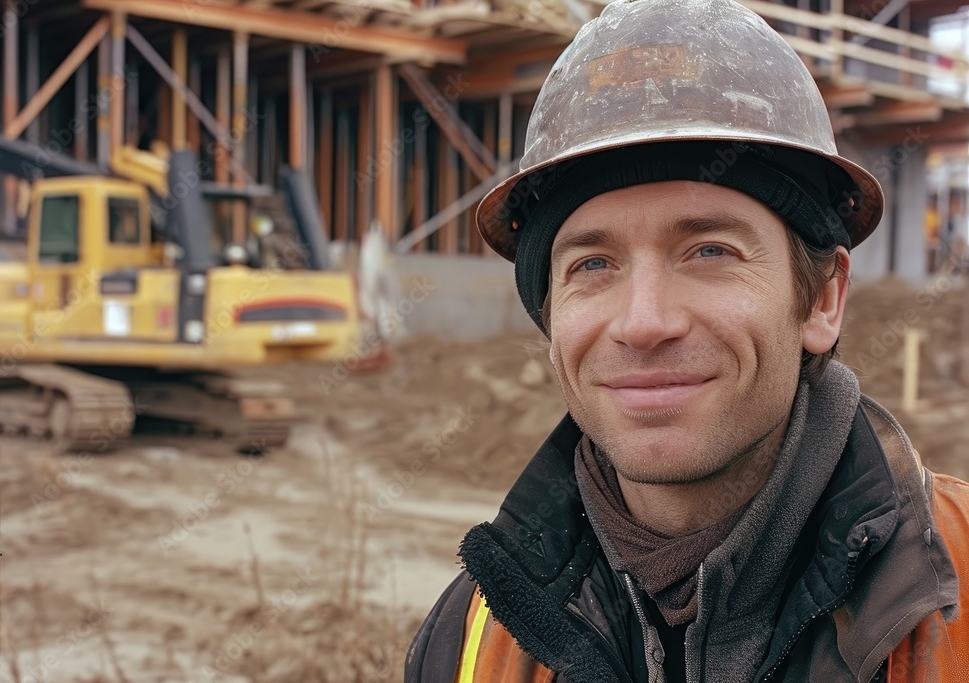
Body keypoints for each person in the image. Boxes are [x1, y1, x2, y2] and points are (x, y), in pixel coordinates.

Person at [405, 0, 969, 681]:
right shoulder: (472, 640)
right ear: (551, 317)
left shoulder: (952, 586)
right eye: (593, 264)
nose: (644, 322)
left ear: (822, 298)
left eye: (708, 250)